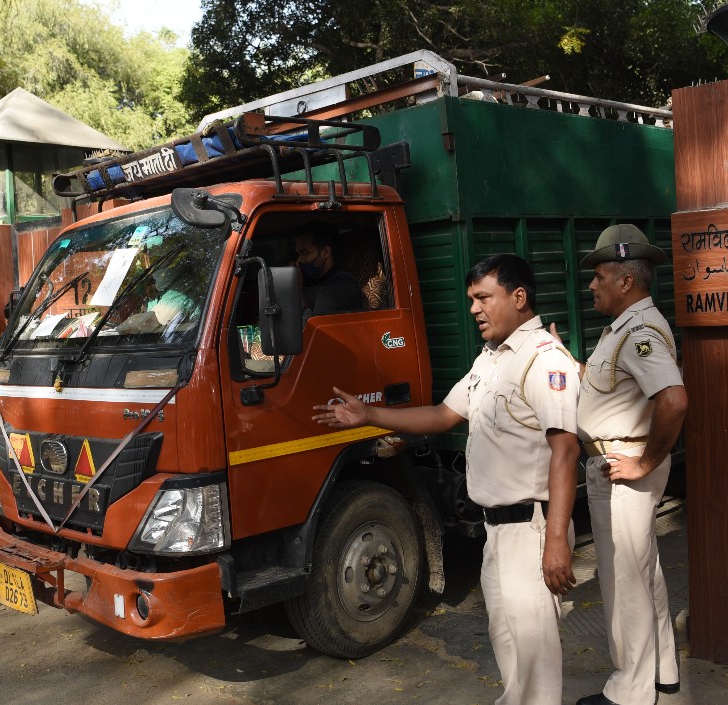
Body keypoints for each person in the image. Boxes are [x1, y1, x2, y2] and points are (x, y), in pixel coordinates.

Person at [314, 254, 580, 705]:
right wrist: (368, 415)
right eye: (471, 299)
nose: (474, 308)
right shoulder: (490, 359)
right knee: (508, 642)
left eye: (483, 298)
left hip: (531, 530)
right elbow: (443, 415)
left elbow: (566, 449)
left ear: (519, 297)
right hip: (497, 532)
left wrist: (556, 539)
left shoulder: (543, 361)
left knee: (535, 657)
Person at [570, 225, 688, 705]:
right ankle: (662, 673)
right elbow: (610, 388)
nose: (591, 286)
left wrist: (644, 462)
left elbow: (674, 401)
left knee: (624, 582)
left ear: (625, 281)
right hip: (620, 462)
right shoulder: (623, 328)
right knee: (643, 573)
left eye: (600, 277)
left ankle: (630, 693)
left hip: (622, 469)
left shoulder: (639, 332)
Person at [293, 222, 363, 315]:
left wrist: (297, 290)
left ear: (325, 252)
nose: (299, 260)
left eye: (305, 253)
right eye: (298, 254)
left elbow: (312, 327)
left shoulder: (340, 285)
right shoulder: (313, 280)